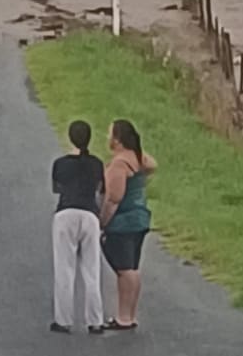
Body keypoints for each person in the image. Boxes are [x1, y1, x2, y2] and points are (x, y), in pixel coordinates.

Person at [99, 119, 157, 331]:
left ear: (117, 140)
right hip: (140, 218)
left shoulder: (119, 164)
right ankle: (129, 314)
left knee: (125, 270)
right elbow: (152, 165)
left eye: (110, 134)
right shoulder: (139, 159)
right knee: (132, 267)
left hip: (123, 222)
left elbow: (114, 198)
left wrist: (103, 221)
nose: (107, 139)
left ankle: (123, 317)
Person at [50, 120, 106, 335]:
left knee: (65, 269)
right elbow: (100, 189)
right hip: (90, 214)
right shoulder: (96, 164)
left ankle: (63, 320)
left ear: (70, 138)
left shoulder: (60, 163)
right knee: (92, 270)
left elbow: (57, 188)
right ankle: (95, 321)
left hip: (66, 213)